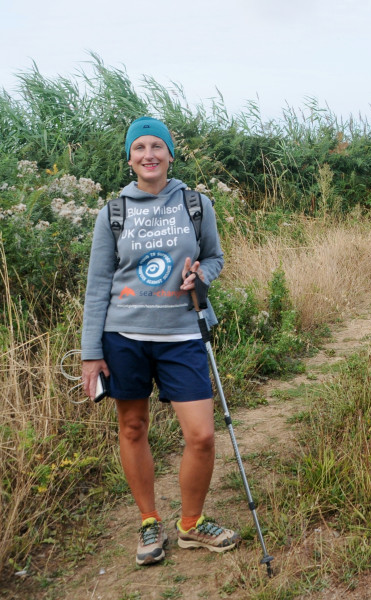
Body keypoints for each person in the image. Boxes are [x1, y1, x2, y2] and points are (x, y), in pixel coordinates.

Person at [81, 116, 240, 566]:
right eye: (139, 148)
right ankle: (149, 522)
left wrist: (200, 275)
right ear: (130, 159)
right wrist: (91, 353)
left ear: (170, 154)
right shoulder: (113, 213)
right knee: (133, 428)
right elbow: (97, 286)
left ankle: (191, 525)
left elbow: (215, 256)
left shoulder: (195, 204)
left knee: (202, 435)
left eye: (157, 146)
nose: (148, 155)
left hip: (183, 334)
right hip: (123, 337)